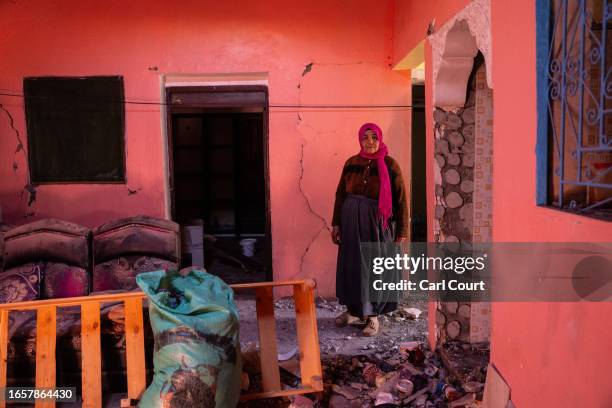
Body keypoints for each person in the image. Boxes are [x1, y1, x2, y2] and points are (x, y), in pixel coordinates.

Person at [331, 123, 408, 336]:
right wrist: (336, 223)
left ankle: (373, 317)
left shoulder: (391, 165)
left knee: (374, 266)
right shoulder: (351, 163)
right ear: (360, 140)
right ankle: (353, 311)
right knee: (352, 265)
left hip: (377, 224)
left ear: (380, 138)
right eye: (365, 137)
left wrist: (401, 229)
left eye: (374, 137)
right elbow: (340, 195)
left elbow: (401, 200)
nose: (370, 141)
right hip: (350, 222)